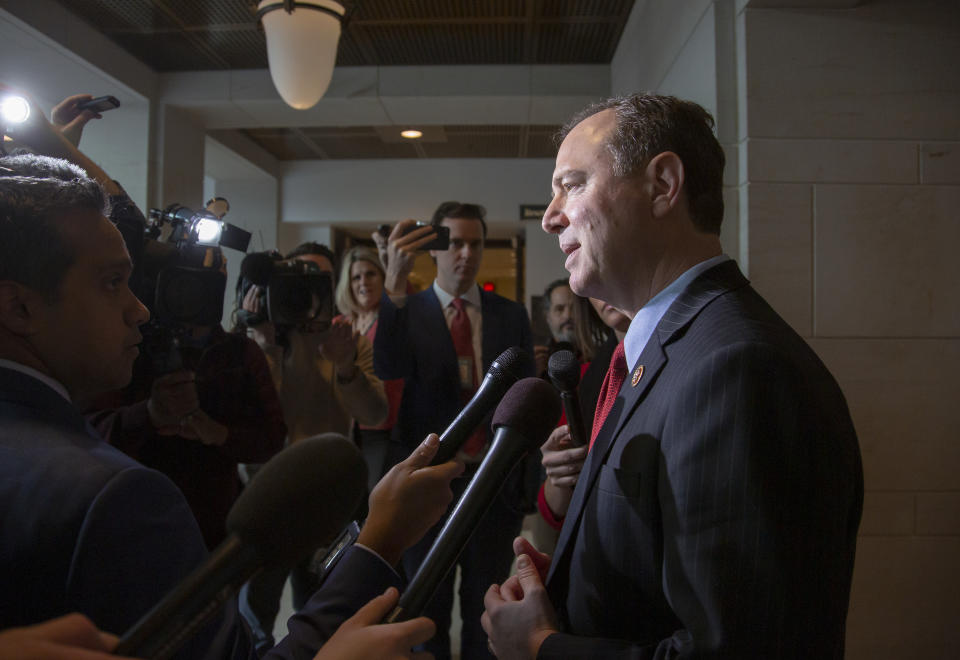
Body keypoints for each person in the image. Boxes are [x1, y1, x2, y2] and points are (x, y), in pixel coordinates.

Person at [0, 154, 458, 660]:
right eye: (112, 282)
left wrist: (342, 364)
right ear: (18, 307)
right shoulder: (117, 495)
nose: (141, 308)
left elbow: (357, 414)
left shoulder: (326, 342)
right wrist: (379, 543)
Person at [482, 93, 863, 658]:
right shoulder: (661, 350)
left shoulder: (737, 369)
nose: (549, 216)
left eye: (573, 184)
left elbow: (741, 646)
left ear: (663, 185)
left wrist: (542, 647)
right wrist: (571, 582)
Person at [375, 202, 536, 660]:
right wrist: (393, 285)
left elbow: (525, 395)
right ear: (435, 249)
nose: (466, 253)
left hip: (491, 486)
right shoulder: (409, 308)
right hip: (428, 488)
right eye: (455, 243)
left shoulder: (510, 315)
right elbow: (387, 366)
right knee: (425, 613)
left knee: (486, 615)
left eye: (475, 243)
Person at [238, 241, 389, 652]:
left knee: (321, 610)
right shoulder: (261, 337)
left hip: (328, 502)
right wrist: (265, 345)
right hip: (265, 495)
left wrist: (344, 366)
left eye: (317, 280)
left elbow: (374, 413)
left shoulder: (346, 338)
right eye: (297, 276)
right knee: (254, 615)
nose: (307, 289)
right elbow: (250, 417)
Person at [335, 246, 405, 490]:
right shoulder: (338, 324)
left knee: (374, 496)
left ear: (383, 276)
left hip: (383, 426)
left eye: (371, 274)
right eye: (356, 277)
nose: (363, 282)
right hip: (343, 427)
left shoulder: (393, 318)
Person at [532, 279, 576, 376]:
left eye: (574, 308)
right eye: (559, 309)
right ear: (548, 317)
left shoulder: (598, 357)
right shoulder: (537, 359)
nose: (568, 315)